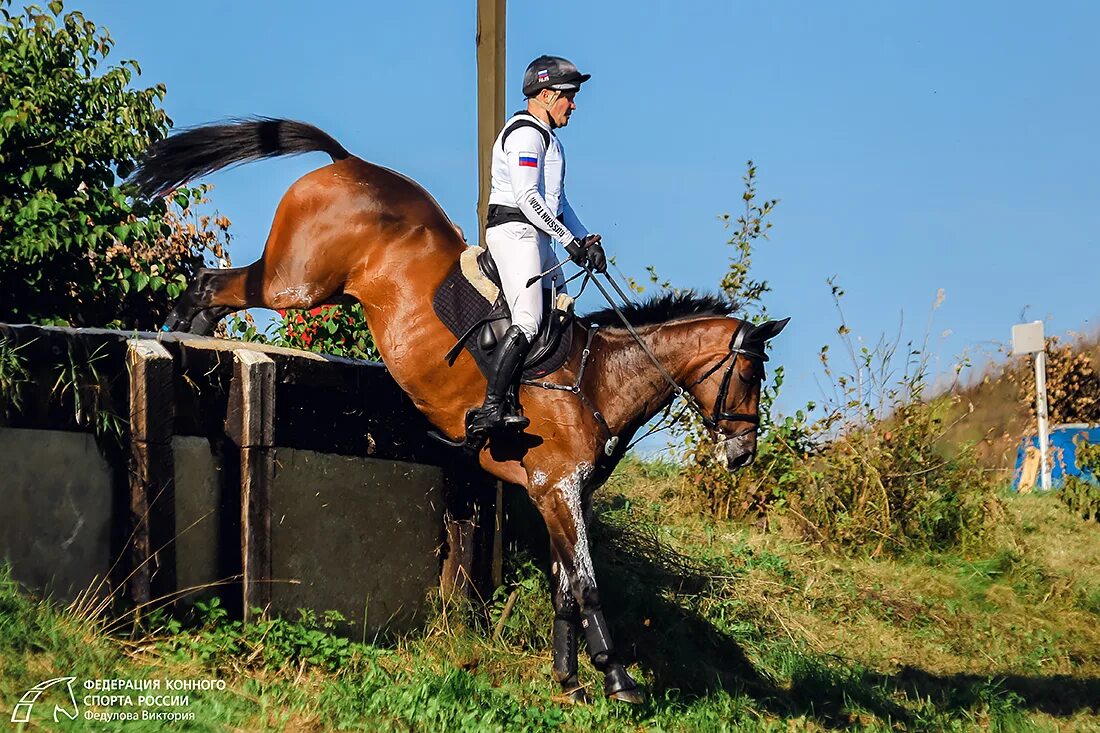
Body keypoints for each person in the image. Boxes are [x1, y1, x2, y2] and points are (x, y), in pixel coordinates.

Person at [466, 54, 607, 438]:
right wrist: (568, 242)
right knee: (528, 320)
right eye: (569, 96)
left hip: (538, 234)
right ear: (545, 95)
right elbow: (529, 199)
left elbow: (560, 203)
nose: (573, 104)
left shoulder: (550, 139)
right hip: (514, 230)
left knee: (560, 315)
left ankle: (524, 398)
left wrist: (584, 240)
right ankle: (491, 407)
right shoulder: (526, 134)